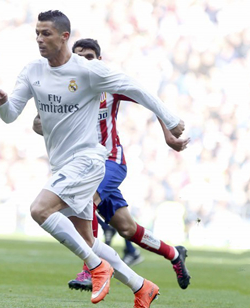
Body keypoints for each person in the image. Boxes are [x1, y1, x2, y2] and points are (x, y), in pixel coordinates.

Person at [0, 10, 185, 308]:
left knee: (40, 210)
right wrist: (1, 103)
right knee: (89, 240)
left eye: (47, 34)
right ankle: (141, 286)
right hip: (63, 165)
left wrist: (172, 122)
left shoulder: (88, 71)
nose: (40, 39)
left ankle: (96, 268)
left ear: (64, 36)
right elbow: (12, 113)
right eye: (37, 34)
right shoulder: (32, 71)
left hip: (90, 161)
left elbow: (136, 88)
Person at [33, 38, 191, 293]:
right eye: (79, 56)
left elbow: (148, 99)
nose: (84, 60)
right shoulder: (64, 88)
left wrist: (168, 134)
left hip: (110, 161)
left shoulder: (108, 85)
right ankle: (174, 254)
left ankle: (90, 269)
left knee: (87, 199)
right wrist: (40, 125)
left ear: (99, 60)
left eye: (90, 56)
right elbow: (39, 122)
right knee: (126, 228)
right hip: (81, 165)